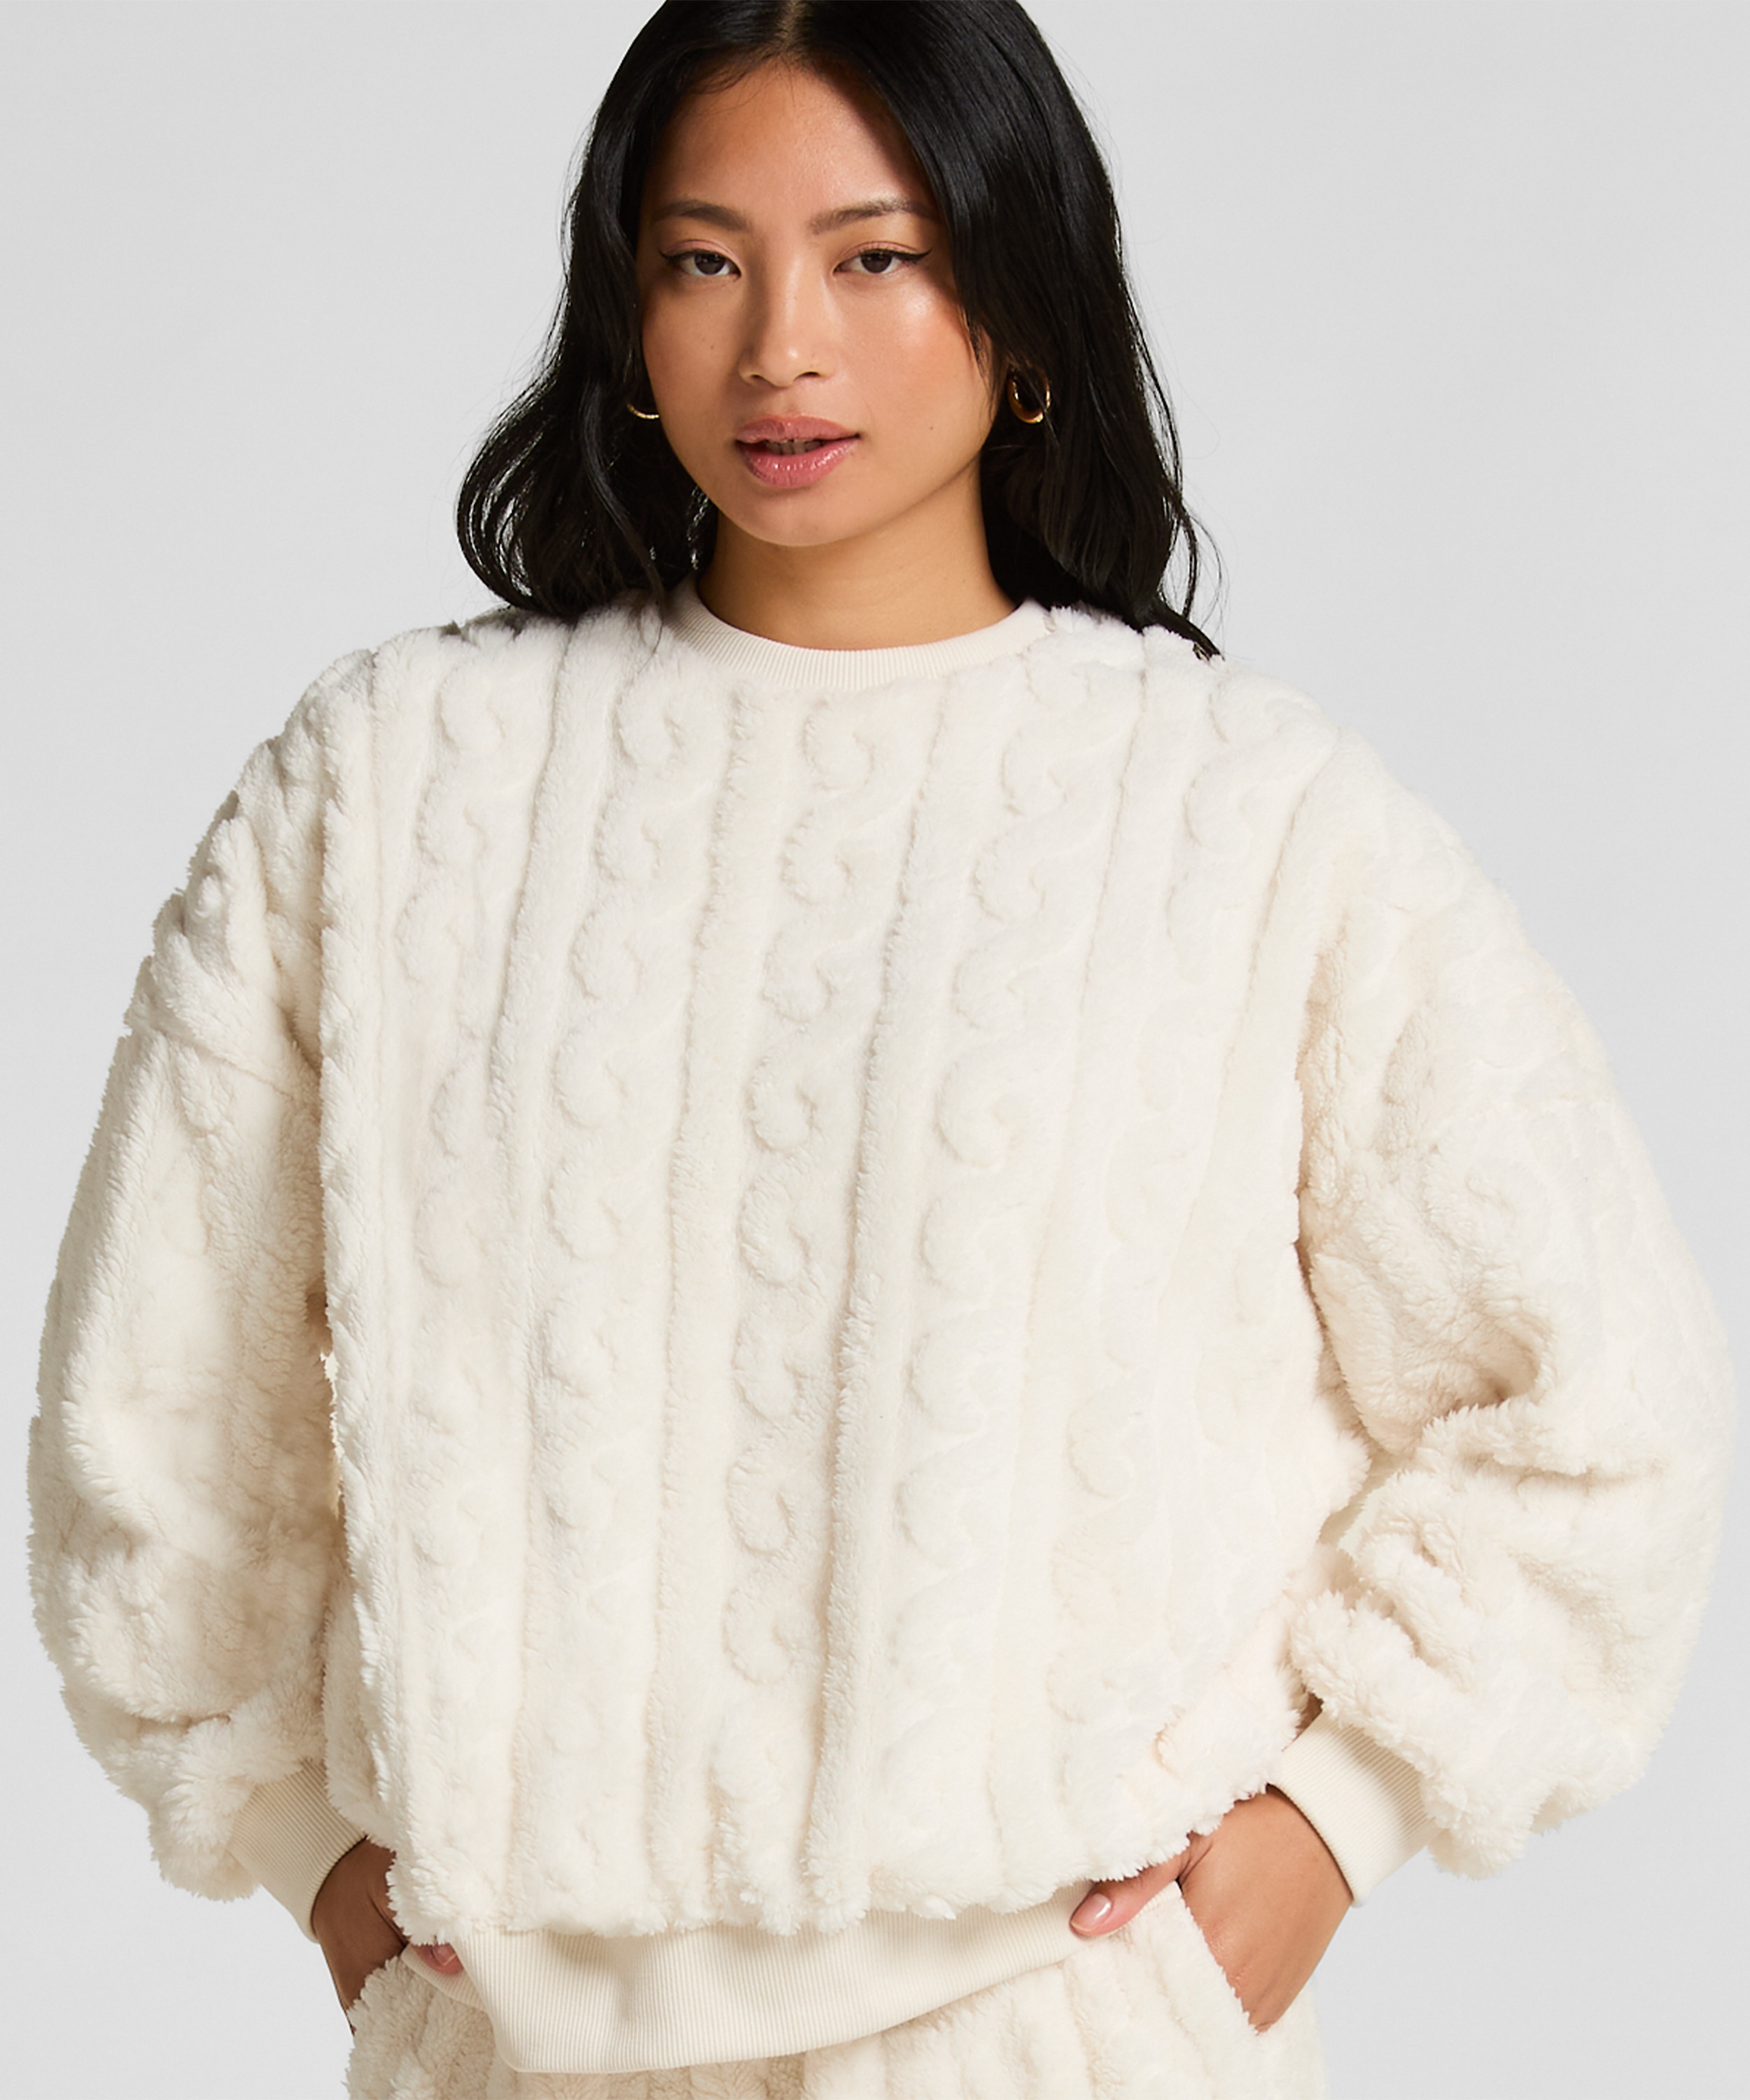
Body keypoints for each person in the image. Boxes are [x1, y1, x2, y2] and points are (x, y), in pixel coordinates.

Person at [25, 4, 1732, 2096]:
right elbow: (156, 1405)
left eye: (877, 257)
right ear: (626, 313)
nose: (780, 350)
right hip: (508, 2051)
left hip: (1066, 2038)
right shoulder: (387, 793)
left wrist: (1331, 1824)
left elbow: (1595, 1401)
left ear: (1022, 312)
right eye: (703, 260)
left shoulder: (1249, 820)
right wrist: (316, 1863)